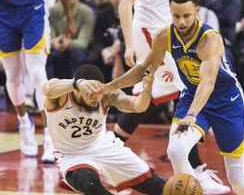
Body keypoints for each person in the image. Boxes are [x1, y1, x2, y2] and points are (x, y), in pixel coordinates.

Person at [104, 0, 244, 195]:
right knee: (176, 150)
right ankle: (193, 188)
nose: (181, 22)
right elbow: (144, 69)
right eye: (176, 16)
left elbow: (207, 83)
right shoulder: (164, 35)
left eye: (186, 16)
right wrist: (109, 87)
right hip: (192, 96)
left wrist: (191, 115)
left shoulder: (209, 39)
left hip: (226, 102)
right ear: (169, 12)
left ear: (197, 11)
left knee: (236, 177)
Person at [42, 64, 165, 195]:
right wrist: (77, 83)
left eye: (97, 93)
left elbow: (138, 106)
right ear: (77, 90)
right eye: (89, 93)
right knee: (90, 183)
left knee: (156, 186)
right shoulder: (61, 97)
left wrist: (147, 90)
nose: (94, 97)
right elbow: (47, 88)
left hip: (103, 148)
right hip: (72, 156)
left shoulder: (107, 96)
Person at [0, 0, 75, 162]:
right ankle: (25, 124)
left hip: (33, 11)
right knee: (13, 74)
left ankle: (50, 136)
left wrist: (69, 16)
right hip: (3, 14)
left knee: (36, 72)